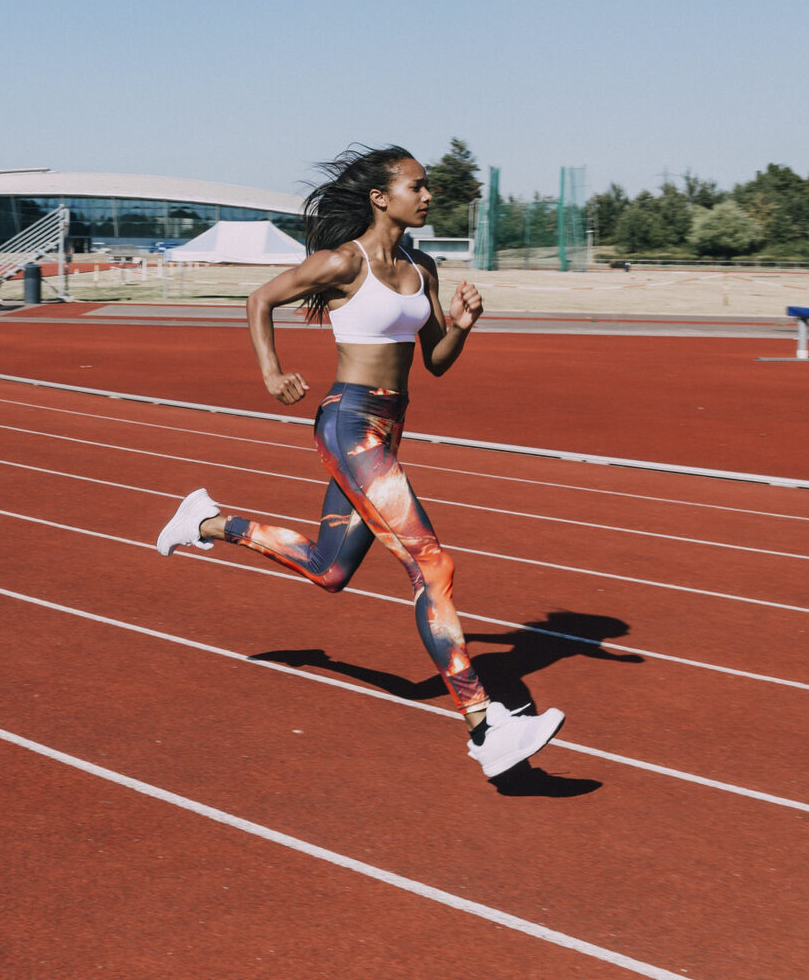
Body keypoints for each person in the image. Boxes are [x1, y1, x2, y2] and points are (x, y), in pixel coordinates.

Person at [155, 145, 564, 778]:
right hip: (348, 423)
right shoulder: (344, 262)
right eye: (417, 187)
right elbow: (259, 300)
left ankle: (205, 523)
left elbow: (436, 361)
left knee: (329, 569)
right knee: (431, 561)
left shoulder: (421, 267)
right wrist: (271, 372)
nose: (428, 196)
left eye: (428, 188)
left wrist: (461, 324)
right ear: (381, 197)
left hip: (388, 428)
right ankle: (486, 725)